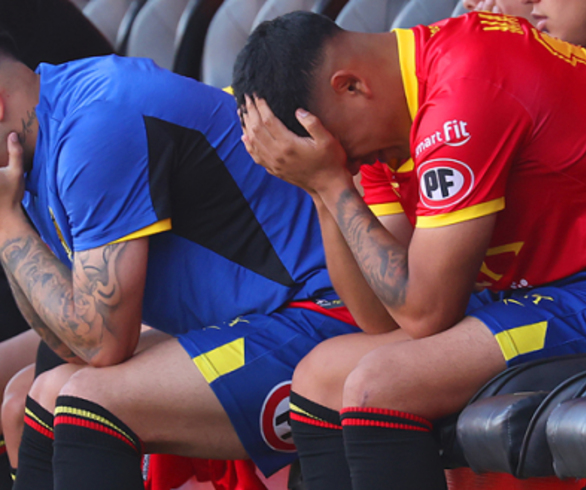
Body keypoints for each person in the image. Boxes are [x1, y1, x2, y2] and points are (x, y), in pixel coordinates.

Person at [233, 10, 586, 490]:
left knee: (381, 385)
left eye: (337, 149)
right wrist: (319, 189)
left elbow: (426, 312)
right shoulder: (392, 110)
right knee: (320, 375)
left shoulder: (464, 88)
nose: (345, 162)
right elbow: (380, 314)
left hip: (575, 287)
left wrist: (333, 183)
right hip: (542, 289)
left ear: (350, 86)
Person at [0, 37, 360, 490]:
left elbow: (102, 343)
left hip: (322, 312)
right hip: (248, 322)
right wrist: (8, 224)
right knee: (40, 397)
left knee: (85, 402)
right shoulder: (35, 146)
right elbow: (74, 345)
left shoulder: (93, 125)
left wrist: (8, 229)